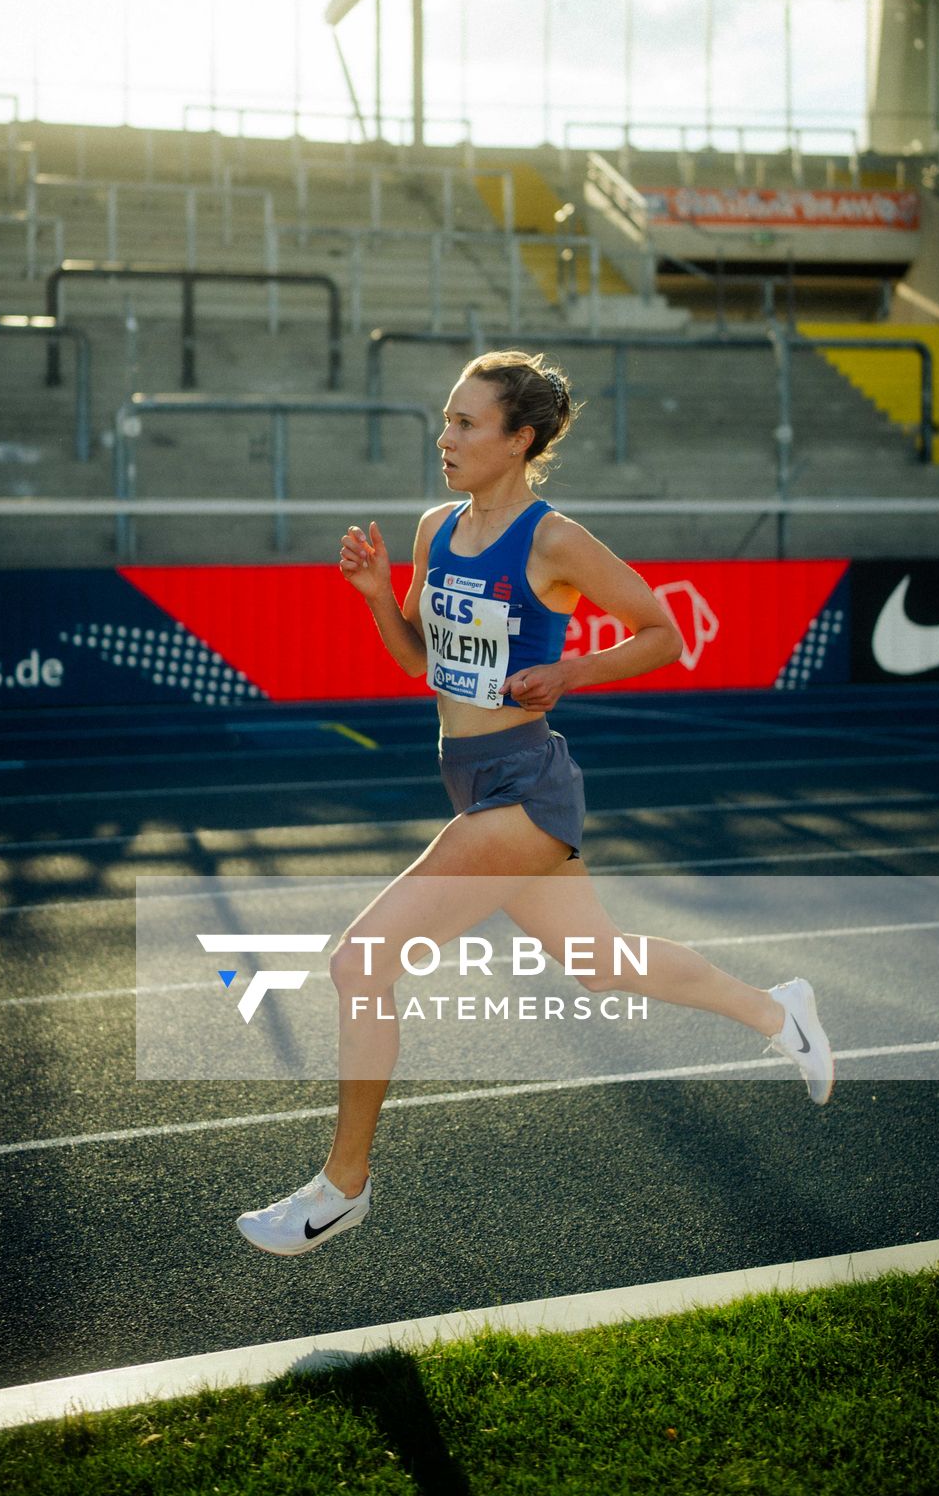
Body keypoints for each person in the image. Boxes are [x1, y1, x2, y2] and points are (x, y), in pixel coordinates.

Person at [236, 350, 835, 1256]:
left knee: (360, 965)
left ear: (519, 441)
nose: (446, 436)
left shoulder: (555, 540)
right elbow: (417, 662)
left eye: (467, 424)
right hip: (474, 779)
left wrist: (571, 670)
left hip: (524, 786)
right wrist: (373, 598)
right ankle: (779, 1010)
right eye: (446, 418)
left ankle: (342, 1187)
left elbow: (664, 633)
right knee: (600, 962)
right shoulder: (436, 529)